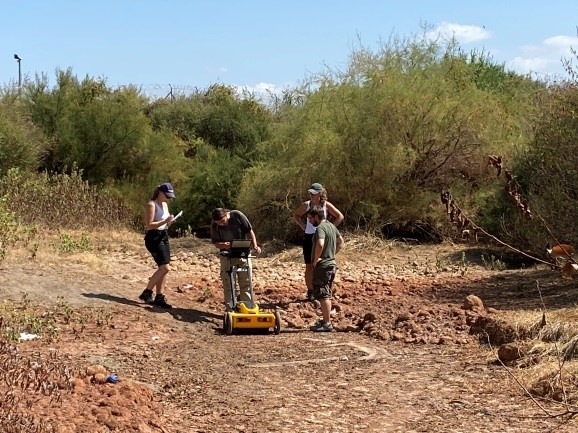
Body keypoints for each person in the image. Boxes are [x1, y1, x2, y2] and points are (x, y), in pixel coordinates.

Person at [293, 183, 344, 300]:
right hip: (310, 237)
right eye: (310, 193)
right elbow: (296, 215)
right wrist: (303, 226)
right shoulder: (307, 205)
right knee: (309, 265)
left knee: (323, 263)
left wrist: (331, 228)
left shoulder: (326, 205)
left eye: (314, 193)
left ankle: (324, 290)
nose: (311, 195)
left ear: (320, 193)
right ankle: (311, 291)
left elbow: (339, 216)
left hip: (322, 237)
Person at [210, 208, 262, 310]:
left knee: (246, 283)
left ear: (226, 215)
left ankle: (247, 308)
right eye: (218, 222)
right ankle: (231, 309)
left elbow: (249, 231)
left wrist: (255, 245)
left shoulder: (237, 216)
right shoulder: (214, 225)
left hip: (243, 254)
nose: (221, 224)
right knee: (229, 284)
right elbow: (216, 243)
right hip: (227, 256)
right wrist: (223, 245)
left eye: (223, 221)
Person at [307, 205, 344, 332]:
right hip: (331, 264)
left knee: (324, 295)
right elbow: (341, 242)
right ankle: (324, 320)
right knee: (326, 293)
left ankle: (327, 323)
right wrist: (332, 255)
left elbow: (320, 243)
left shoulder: (321, 228)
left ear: (317, 216)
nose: (310, 221)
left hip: (323, 266)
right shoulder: (332, 226)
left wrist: (316, 259)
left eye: (311, 218)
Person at [139, 182, 176, 309]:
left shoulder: (164, 205)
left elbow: (164, 224)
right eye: (167, 195)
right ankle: (147, 292)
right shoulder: (151, 204)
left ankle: (159, 296)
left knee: (163, 268)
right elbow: (149, 225)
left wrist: (169, 222)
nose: (168, 198)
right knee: (165, 268)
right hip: (154, 237)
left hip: (163, 235)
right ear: (160, 192)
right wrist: (165, 221)